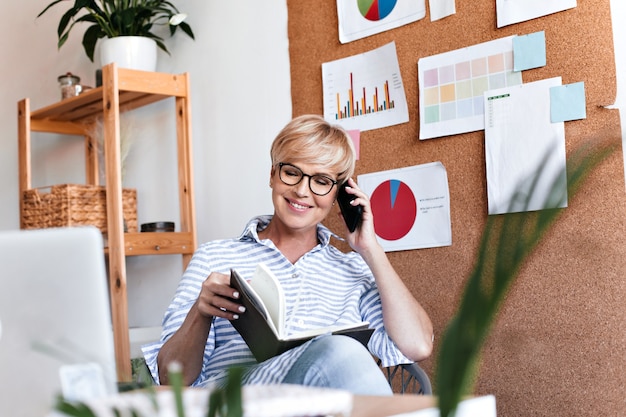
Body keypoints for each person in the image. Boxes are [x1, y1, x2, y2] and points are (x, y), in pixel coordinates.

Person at [142, 114, 433, 395]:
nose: (302, 191)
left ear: (339, 196)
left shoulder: (354, 269)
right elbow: (171, 378)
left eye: (320, 181)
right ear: (273, 176)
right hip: (234, 404)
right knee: (341, 350)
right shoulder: (215, 256)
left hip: (320, 407)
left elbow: (418, 345)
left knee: (340, 355)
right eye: (292, 173)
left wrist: (371, 250)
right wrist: (200, 312)